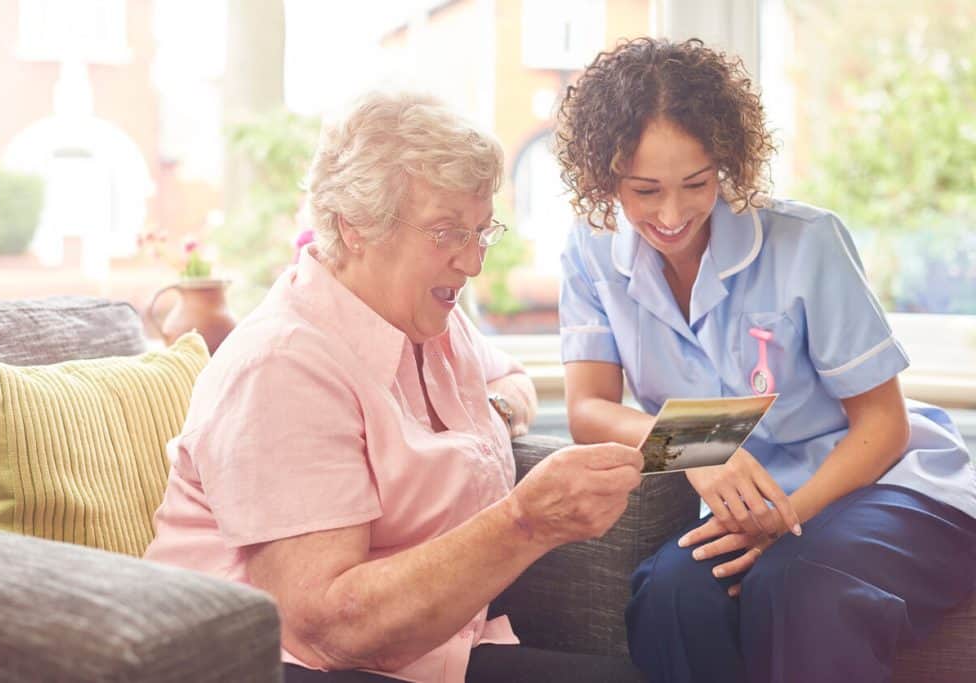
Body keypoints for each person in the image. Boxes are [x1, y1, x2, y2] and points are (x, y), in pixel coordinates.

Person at [144, 89, 644, 683]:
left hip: (434, 652)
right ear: (352, 228)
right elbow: (328, 630)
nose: (474, 263)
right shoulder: (284, 367)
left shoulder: (434, 322)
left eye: (482, 231)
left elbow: (510, 380)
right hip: (283, 664)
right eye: (446, 232)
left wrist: (495, 413)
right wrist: (526, 522)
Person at [554, 37, 976, 683]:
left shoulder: (807, 241)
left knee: (801, 581)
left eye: (696, 183)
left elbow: (882, 425)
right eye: (644, 191)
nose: (671, 214)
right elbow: (587, 410)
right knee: (674, 592)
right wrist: (701, 447)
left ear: (726, 160)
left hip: (890, 484)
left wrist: (788, 516)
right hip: (751, 501)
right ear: (604, 177)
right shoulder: (590, 253)